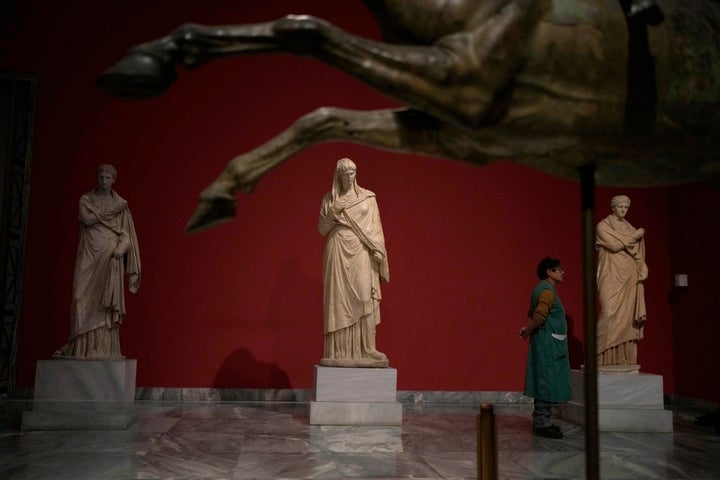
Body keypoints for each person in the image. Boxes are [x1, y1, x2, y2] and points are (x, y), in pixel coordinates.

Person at [54, 164, 141, 359]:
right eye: (100, 177)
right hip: (88, 253)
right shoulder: (87, 199)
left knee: (104, 304)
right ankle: (77, 345)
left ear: (113, 180)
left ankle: (101, 349)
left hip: (109, 254)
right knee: (78, 298)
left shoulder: (121, 204)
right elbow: (85, 219)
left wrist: (120, 249)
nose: (103, 181)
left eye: (107, 178)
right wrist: (109, 212)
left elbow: (126, 236)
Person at [318, 158, 389, 367]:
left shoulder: (368, 198)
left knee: (365, 295)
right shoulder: (330, 199)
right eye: (346, 173)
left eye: (353, 172)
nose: (350, 176)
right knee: (338, 301)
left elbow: (377, 227)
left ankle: (367, 348)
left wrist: (378, 249)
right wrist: (334, 212)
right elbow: (322, 229)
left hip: (361, 250)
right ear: (338, 175)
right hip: (338, 249)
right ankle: (338, 351)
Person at [520, 257, 571, 439]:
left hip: (545, 341)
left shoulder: (541, 290)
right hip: (548, 343)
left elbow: (533, 315)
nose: (562, 272)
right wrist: (529, 330)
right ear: (549, 271)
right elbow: (540, 316)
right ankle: (542, 423)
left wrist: (527, 330)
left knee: (544, 379)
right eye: (559, 269)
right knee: (545, 381)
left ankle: (544, 421)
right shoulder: (547, 291)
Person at [596, 195, 647, 367]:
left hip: (629, 274)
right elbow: (614, 245)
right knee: (608, 313)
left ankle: (623, 359)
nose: (624, 210)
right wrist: (635, 236)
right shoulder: (603, 226)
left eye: (626, 207)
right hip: (610, 273)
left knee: (627, 320)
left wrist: (642, 266)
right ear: (613, 207)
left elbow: (638, 253)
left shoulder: (630, 227)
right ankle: (599, 356)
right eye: (620, 207)